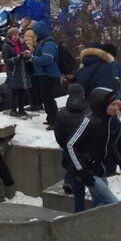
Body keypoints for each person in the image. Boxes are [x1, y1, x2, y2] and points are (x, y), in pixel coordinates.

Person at [66, 87, 121, 208]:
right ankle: (84, 222)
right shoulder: (89, 121)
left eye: (116, 104)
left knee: (100, 204)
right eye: (113, 104)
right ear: (103, 105)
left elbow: (109, 143)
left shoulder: (108, 119)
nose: (116, 107)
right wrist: (82, 172)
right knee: (112, 203)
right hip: (87, 170)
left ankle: (91, 224)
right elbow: (71, 145)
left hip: (98, 167)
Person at [54, 84, 91, 212]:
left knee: (78, 189)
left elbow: (58, 134)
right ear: (82, 94)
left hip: (68, 149)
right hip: (86, 151)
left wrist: (65, 145)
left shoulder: (61, 112)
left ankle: (78, 212)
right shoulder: (89, 111)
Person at [30, 20, 60, 128]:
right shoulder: (43, 42)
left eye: (36, 32)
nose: (35, 34)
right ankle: (50, 118)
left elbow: (47, 59)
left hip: (49, 75)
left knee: (48, 98)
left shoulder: (49, 43)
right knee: (46, 98)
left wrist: (33, 59)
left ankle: (54, 120)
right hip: (44, 74)